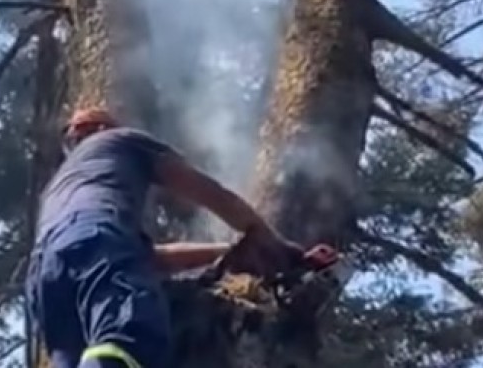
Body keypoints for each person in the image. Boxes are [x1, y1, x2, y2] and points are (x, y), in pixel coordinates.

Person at [27, 107, 304, 368]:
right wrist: (270, 241)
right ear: (101, 127)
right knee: (128, 340)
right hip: (98, 236)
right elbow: (209, 192)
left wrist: (229, 251)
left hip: (43, 275)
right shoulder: (122, 140)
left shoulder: (60, 189)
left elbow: (149, 258)